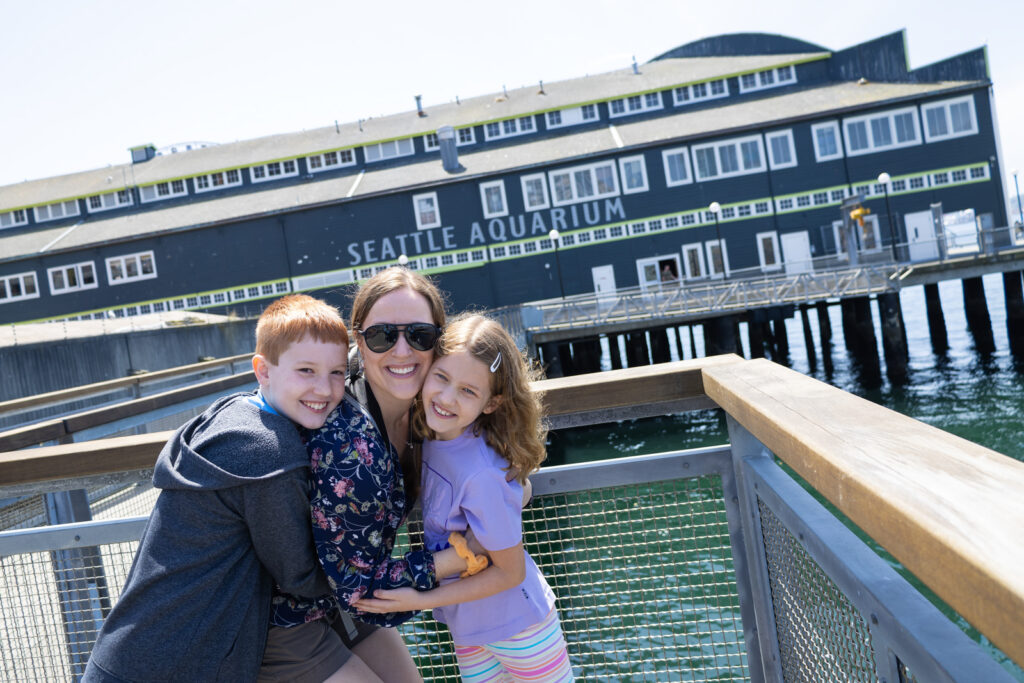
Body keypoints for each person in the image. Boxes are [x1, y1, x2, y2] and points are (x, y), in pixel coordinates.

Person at [84, 294, 349, 682]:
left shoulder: (233, 413)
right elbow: (301, 575)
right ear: (263, 370)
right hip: (181, 664)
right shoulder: (270, 453)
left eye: (338, 373)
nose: (324, 390)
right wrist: (371, 576)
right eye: (306, 370)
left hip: (127, 653)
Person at [264, 268, 488, 683]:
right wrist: (459, 558)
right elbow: (361, 592)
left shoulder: (427, 408)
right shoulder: (351, 445)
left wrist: (508, 481)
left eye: (419, 335)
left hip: (338, 594)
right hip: (284, 618)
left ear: (439, 341)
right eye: (383, 336)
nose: (402, 351)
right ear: (359, 341)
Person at [355, 313, 575, 682]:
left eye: (468, 391)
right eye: (441, 377)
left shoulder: (483, 472)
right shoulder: (431, 434)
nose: (446, 397)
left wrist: (420, 599)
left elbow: (510, 572)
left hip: (520, 628)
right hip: (468, 627)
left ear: (491, 403)